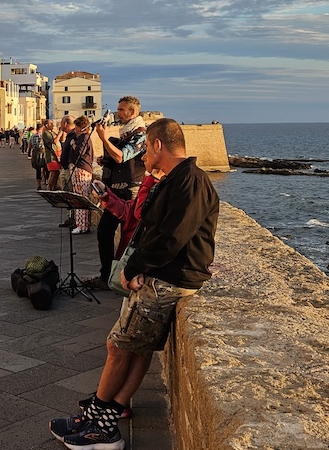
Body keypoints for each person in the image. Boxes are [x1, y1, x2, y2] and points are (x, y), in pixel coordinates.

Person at [49, 118, 218, 449]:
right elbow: (151, 226)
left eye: (146, 150)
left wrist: (136, 267)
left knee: (118, 346)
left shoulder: (190, 183)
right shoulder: (173, 180)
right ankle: (103, 416)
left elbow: (171, 237)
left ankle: (102, 423)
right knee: (136, 347)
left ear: (158, 145)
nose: (142, 158)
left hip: (170, 279)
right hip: (163, 274)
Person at [85, 96, 147, 291]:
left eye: (121, 110)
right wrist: (106, 160)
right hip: (116, 191)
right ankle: (107, 276)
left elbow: (122, 156)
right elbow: (116, 157)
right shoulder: (125, 133)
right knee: (104, 233)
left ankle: (123, 278)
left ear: (132, 112)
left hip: (130, 192)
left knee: (128, 238)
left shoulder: (140, 135)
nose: (117, 113)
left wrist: (103, 137)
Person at [63, 116, 96, 235]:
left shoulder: (84, 137)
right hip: (82, 169)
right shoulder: (84, 137)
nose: (75, 128)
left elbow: (79, 152)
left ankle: (81, 225)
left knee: (80, 198)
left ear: (81, 127)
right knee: (82, 197)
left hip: (81, 170)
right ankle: (82, 224)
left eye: (77, 126)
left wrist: (73, 144)